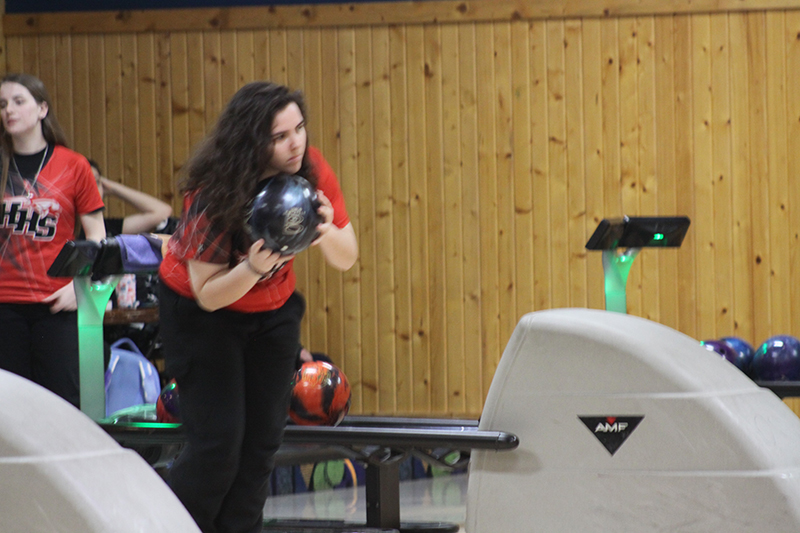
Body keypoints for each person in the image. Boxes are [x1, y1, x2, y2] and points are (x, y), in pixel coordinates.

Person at [157, 81, 358, 533]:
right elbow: (207, 293)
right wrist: (250, 269)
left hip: (272, 311)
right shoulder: (216, 188)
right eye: (280, 136)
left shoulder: (309, 170)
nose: (296, 143)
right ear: (253, 140)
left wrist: (325, 230)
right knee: (219, 446)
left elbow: (347, 257)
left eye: (300, 129)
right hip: (201, 313)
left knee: (261, 446)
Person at [0, 73, 106, 408]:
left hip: (55, 303)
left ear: (42, 108)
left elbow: (98, 238)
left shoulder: (73, 165)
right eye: (2, 104)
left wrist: (81, 287)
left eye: (18, 101)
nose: (8, 110)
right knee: (10, 412)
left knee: (61, 406)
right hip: (5, 306)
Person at [88, 159, 173, 237]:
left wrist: (111, 187)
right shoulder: (76, 229)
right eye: (88, 183)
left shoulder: (105, 227)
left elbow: (162, 212)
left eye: (97, 182)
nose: (94, 189)